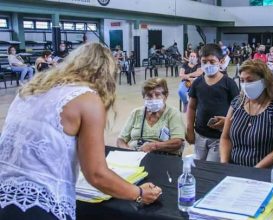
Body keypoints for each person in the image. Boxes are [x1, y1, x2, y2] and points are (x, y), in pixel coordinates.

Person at [0, 43, 162, 220]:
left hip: (5, 194)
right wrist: (138, 192)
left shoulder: (32, 89)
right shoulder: (87, 99)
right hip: (41, 204)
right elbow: (96, 174)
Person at [220, 60, 273, 167]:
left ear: (264, 81)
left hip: (264, 171)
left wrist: (254, 171)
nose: (245, 85)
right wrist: (224, 164)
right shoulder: (237, 103)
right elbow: (225, 138)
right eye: (242, 81)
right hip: (234, 168)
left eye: (250, 80)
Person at [186, 44, 239, 162]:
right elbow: (191, 107)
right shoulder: (197, 83)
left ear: (220, 62)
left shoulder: (229, 83)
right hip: (200, 134)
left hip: (220, 137)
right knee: (199, 164)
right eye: (204, 62)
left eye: (212, 61)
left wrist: (228, 123)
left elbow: (238, 109)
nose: (208, 65)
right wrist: (189, 129)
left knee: (211, 166)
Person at [117, 78, 185, 156]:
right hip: (136, 156)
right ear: (144, 97)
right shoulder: (136, 113)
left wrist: (153, 146)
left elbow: (177, 142)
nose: (153, 99)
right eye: (149, 95)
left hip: (163, 157)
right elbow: (120, 140)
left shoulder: (172, 113)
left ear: (165, 96)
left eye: (157, 94)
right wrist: (128, 152)